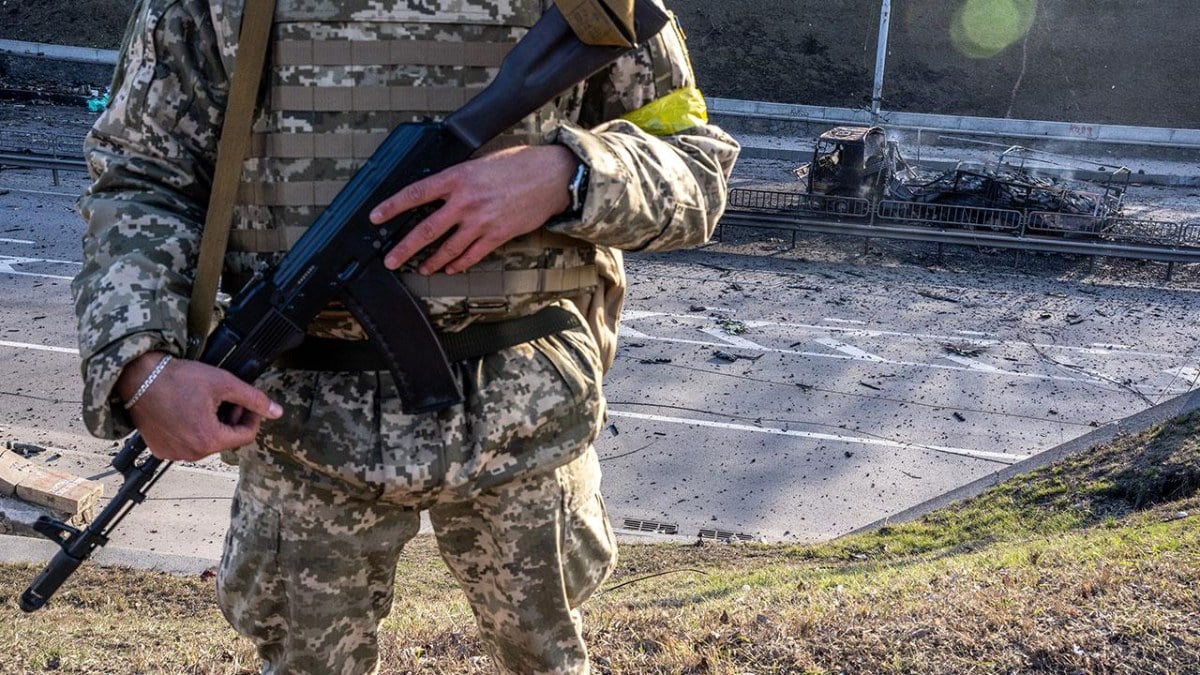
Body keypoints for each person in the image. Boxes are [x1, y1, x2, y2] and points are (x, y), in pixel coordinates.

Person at [72, 0, 739, 672]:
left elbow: (697, 169)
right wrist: (141, 363)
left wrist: (566, 176)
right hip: (302, 423)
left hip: (529, 417)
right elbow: (140, 176)